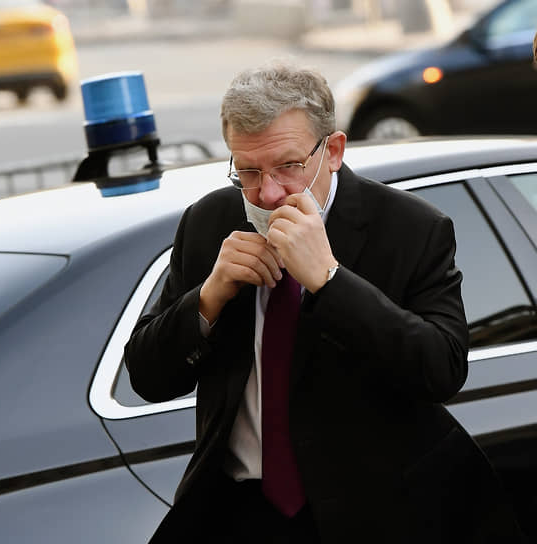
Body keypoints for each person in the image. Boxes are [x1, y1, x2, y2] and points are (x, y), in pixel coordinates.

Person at [123, 63, 524, 543]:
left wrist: (330, 282)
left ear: (332, 151)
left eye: (288, 167)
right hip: (240, 512)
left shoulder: (411, 228)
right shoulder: (209, 222)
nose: (268, 193)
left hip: (374, 517)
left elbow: (442, 370)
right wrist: (209, 297)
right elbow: (147, 377)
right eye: (248, 171)